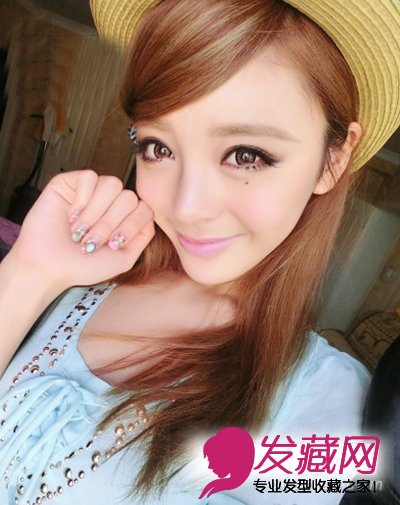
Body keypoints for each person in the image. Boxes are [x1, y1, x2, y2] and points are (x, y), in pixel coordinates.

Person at [0, 0, 399, 504]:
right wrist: (30, 270)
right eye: (157, 147)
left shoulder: (331, 408)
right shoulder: (71, 284)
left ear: (332, 161)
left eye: (246, 155)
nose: (186, 207)